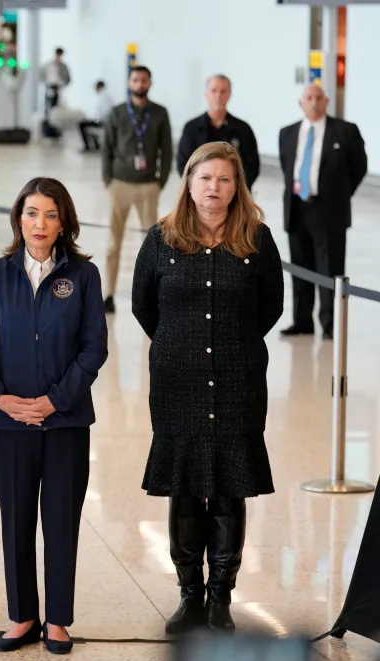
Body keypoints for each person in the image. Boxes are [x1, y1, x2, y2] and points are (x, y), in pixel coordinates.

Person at [132, 142, 284, 635]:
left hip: (238, 379)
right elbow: (143, 306)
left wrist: (231, 341)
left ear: (237, 186)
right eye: (205, 178)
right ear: (189, 182)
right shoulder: (161, 239)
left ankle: (221, 596)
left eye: (224, 179)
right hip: (178, 380)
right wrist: (182, 343)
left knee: (227, 489)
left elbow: (270, 308)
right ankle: (188, 595)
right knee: (184, 485)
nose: (214, 188)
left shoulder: (257, 240)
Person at [0, 177, 108, 655]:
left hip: (65, 422)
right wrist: (0, 397)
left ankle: (59, 620)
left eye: (50, 214)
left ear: (63, 220)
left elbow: (93, 349)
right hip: (7, 423)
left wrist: (54, 401)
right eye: (31, 213)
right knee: (16, 520)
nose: (40, 223)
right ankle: (23, 615)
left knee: (62, 520)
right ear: (18, 218)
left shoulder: (83, 277)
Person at [278, 84, 368, 340]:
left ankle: (329, 324)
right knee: (300, 266)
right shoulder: (287, 132)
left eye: (319, 98)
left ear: (327, 101)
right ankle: (302, 321)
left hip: (329, 211)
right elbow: (287, 166)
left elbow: (359, 167)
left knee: (330, 268)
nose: (314, 102)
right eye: (309, 98)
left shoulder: (345, 131)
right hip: (297, 208)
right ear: (301, 103)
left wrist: (340, 194)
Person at [101, 65, 172, 313]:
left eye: (143, 80)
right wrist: (108, 180)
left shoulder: (160, 113)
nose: (139, 84)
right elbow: (106, 147)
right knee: (114, 242)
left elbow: (167, 148)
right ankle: (108, 294)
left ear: (150, 83)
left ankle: (152, 295)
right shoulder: (118, 112)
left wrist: (159, 181)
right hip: (120, 183)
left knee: (151, 243)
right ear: (128, 83)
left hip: (148, 186)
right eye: (135, 80)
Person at [177, 75, 259, 188]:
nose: (218, 96)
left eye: (223, 91)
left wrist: (234, 189)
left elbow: (252, 166)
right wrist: (200, 188)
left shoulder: (243, 129)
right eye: (214, 90)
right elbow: (183, 164)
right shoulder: (192, 128)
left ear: (229, 95)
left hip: (235, 195)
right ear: (206, 94)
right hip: (200, 196)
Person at [78, 80, 114, 153]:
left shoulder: (103, 96)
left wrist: (94, 119)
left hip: (103, 121)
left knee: (81, 124)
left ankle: (87, 146)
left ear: (99, 87)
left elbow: (103, 113)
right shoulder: (106, 95)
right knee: (87, 124)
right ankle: (96, 145)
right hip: (104, 121)